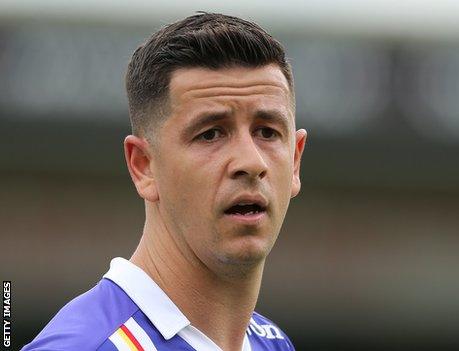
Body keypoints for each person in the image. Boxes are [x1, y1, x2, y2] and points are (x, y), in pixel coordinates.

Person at [23, 12, 306, 351]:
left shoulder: (272, 343)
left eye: (267, 132)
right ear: (143, 166)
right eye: (211, 133)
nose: (250, 162)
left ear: (294, 161)